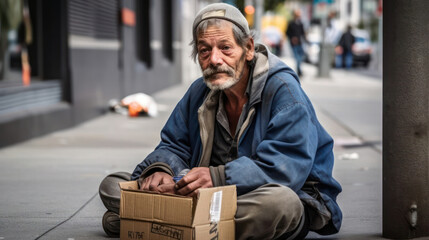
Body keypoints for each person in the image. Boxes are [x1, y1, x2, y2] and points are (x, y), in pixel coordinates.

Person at [99, 3, 342, 239]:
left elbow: (284, 167)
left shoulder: (284, 93)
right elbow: (174, 143)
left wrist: (218, 177)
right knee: (113, 185)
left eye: (225, 48)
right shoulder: (199, 92)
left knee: (280, 204)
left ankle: (163, 223)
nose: (215, 59)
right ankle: (185, 224)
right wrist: (161, 169)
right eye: (205, 50)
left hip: (276, 194)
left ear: (248, 48)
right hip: (206, 195)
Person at [286, 9, 306, 77]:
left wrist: (305, 39)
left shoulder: (300, 23)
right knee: (297, 57)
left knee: (301, 57)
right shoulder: (291, 23)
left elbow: (303, 33)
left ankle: (299, 70)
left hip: (300, 43)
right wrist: (292, 38)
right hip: (294, 44)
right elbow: (287, 32)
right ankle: (299, 71)